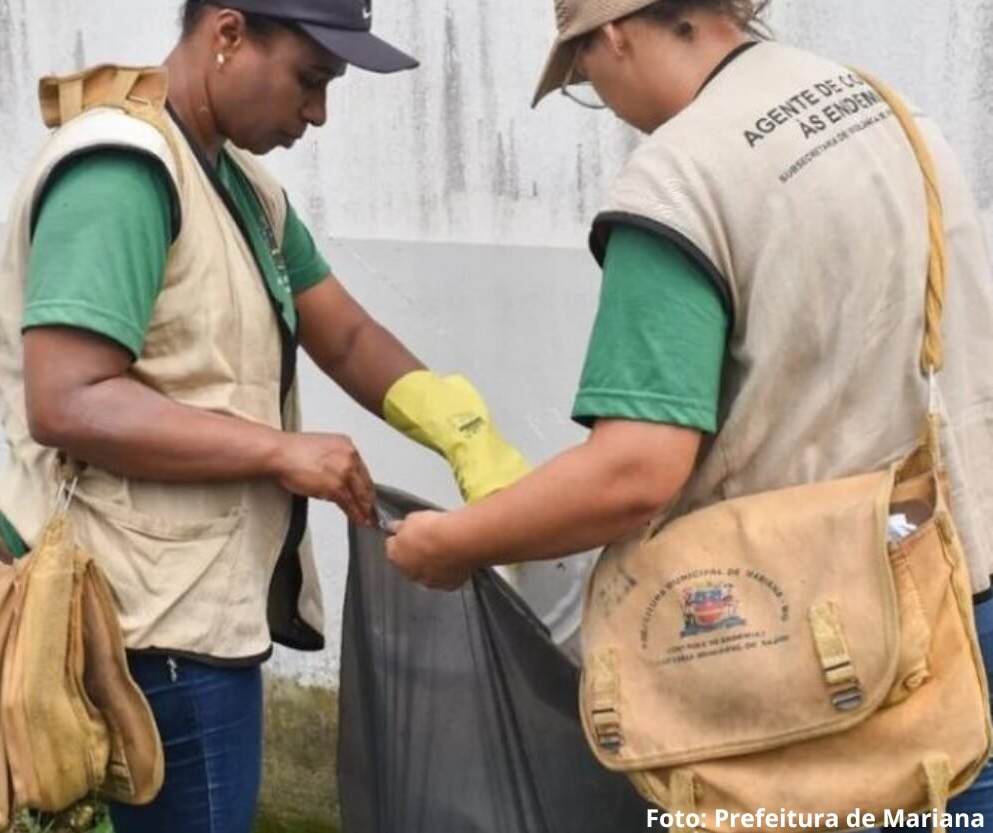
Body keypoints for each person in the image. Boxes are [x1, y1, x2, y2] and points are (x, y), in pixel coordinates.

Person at [385, 0, 993, 824]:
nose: (599, 93)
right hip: (964, 610)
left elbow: (634, 474)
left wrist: (451, 543)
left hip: (823, 670)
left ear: (613, 34)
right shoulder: (887, 108)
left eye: (583, 76)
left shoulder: (680, 180)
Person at [0, 1, 530, 831]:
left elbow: (340, 331)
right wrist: (278, 451)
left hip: (192, 607)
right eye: (311, 80)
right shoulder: (123, 173)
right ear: (228, 34)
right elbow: (69, 398)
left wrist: (462, 429)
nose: (318, 112)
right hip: (145, 628)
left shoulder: (241, 186)